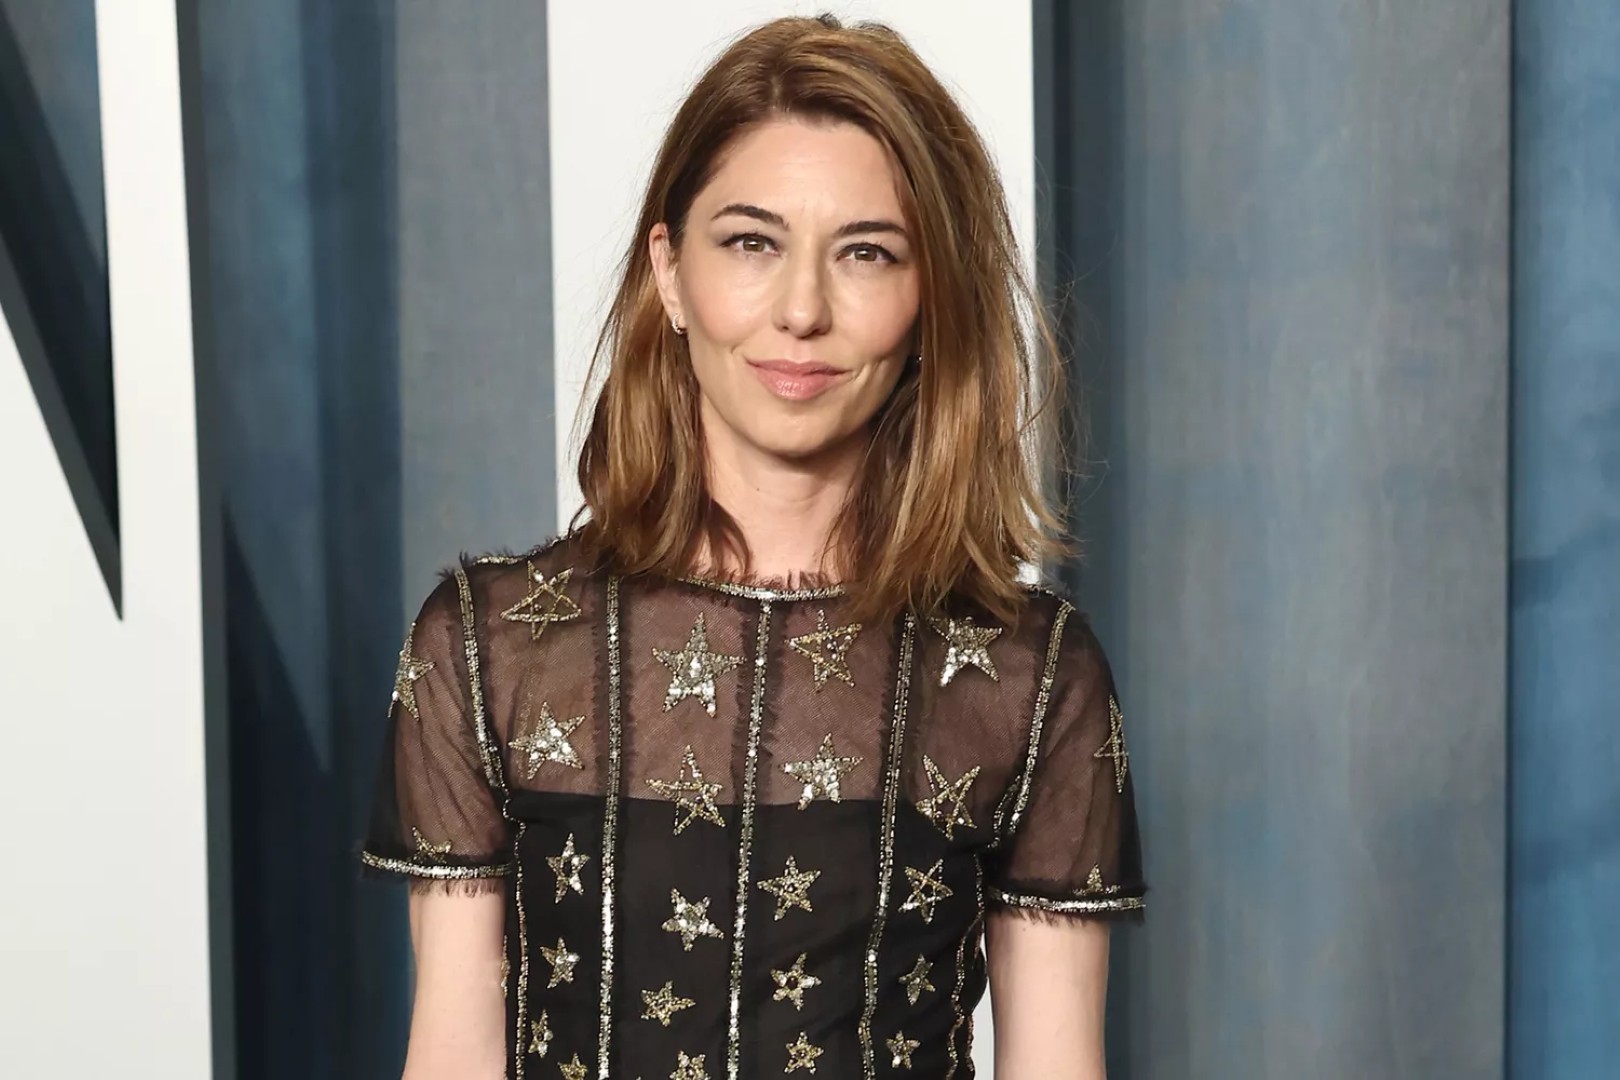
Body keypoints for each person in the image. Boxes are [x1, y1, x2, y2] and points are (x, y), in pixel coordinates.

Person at [360, 13, 1145, 1080]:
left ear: (929, 299)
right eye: (751, 243)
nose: (802, 310)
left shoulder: (1032, 676)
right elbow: (451, 1057)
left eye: (866, 253)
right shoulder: (487, 649)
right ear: (670, 271)